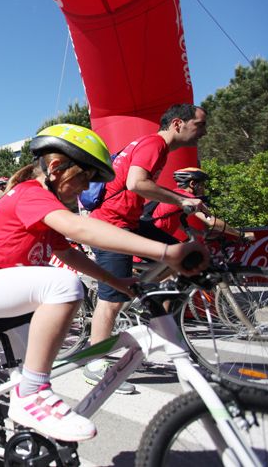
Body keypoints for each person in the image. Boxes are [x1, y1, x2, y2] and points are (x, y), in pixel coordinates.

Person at [0, 124, 208, 443]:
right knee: (64, 287)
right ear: (56, 167)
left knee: (31, 371)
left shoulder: (43, 200)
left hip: (1, 291)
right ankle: (31, 395)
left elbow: (67, 250)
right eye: (84, 177)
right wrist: (168, 251)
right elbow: (80, 230)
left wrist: (117, 281)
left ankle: (24, 439)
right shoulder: (30, 193)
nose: (86, 188)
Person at [86, 103, 208, 393]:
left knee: (183, 254)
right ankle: (94, 361)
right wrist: (181, 200)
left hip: (128, 221)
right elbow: (136, 183)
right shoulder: (153, 143)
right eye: (200, 125)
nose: (203, 131)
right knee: (111, 301)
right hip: (111, 225)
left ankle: (145, 301)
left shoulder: (154, 146)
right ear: (178, 123)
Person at [148, 167, 254, 242]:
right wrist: (241, 234)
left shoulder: (176, 196)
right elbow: (212, 221)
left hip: (154, 241)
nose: (204, 188)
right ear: (192, 184)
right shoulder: (187, 198)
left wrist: (203, 234)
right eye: (202, 184)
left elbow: (177, 224)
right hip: (153, 245)